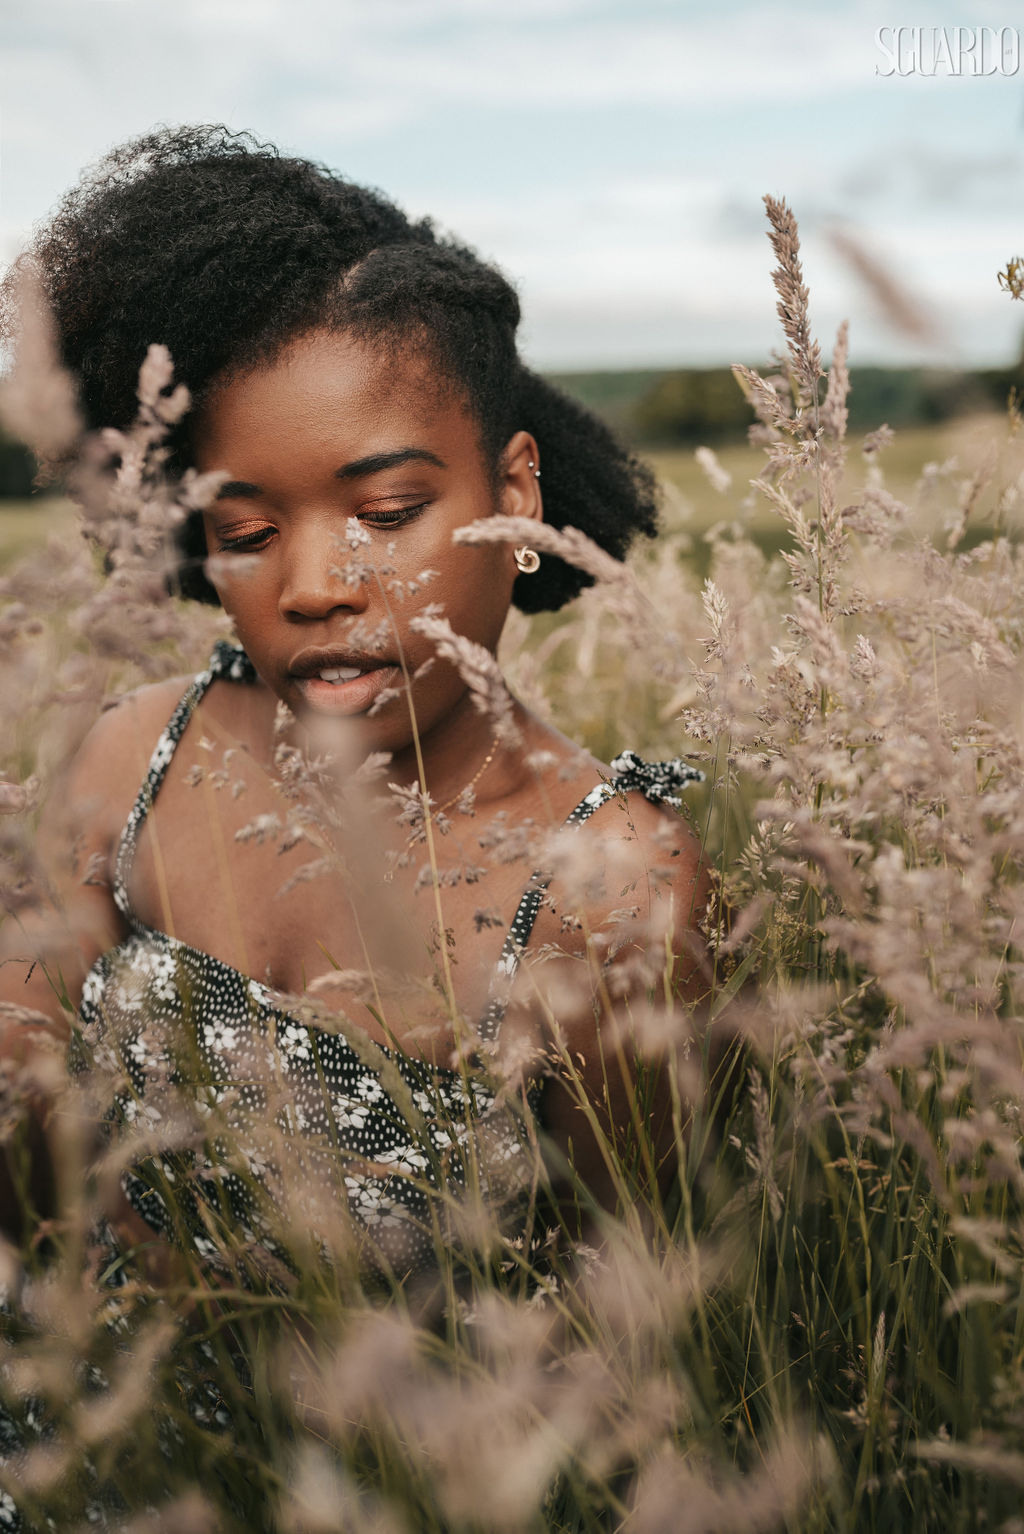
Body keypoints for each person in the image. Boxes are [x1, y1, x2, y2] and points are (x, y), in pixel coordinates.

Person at [0, 125, 711, 1289]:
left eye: (385, 511)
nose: (315, 584)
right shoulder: (134, 757)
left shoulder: (611, 885)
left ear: (514, 489)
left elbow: (623, 1325)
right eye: (246, 533)